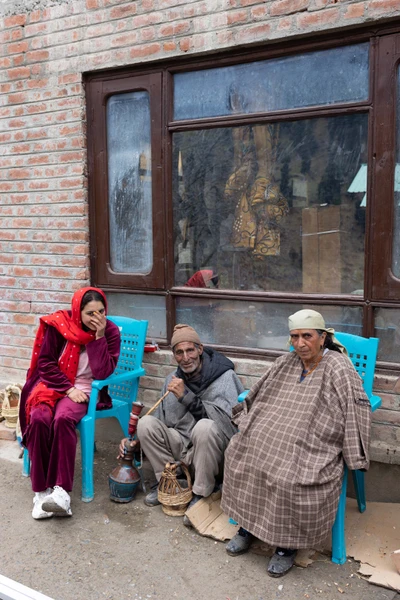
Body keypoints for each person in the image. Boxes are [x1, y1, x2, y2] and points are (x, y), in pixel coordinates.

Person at [221, 309, 372, 577]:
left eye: (307, 336)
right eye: (294, 337)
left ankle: (286, 546)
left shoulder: (338, 366)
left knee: (289, 476)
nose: (300, 343)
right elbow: (260, 393)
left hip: (316, 437)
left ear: (323, 337)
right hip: (277, 429)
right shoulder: (286, 361)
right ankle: (248, 527)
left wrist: (349, 447)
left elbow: (354, 406)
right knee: (241, 452)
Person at [119, 323, 243, 525]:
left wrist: (186, 397)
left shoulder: (224, 378)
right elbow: (158, 425)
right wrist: (133, 440)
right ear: (174, 355)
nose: (186, 358)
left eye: (190, 350)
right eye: (179, 352)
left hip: (210, 454)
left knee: (205, 427)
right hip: (181, 449)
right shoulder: (172, 379)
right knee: (146, 423)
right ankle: (172, 482)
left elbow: (228, 426)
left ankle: (201, 494)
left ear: (200, 350)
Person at [19, 287, 121, 520]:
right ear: (77, 311)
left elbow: (103, 372)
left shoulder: (110, 332)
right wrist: (68, 388)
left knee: (63, 418)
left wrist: (98, 338)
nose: (97, 318)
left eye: (101, 312)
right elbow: (46, 364)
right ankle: (41, 492)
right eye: (90, 313)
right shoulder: (60, 326)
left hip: (87, 389)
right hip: (54, 385)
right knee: (39, 418)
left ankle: (62, 492)